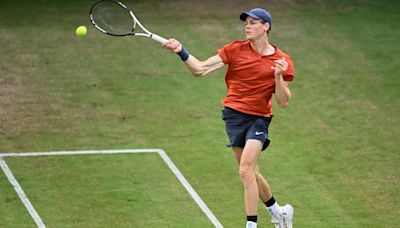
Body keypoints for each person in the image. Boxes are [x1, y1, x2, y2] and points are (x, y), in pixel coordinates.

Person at [163, 7, 294, 228]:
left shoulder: (282, 60)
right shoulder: (234, 49)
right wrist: (181, 50)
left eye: (253, 22)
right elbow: (200, 69)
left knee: (245, 170)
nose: (248, 26)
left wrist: (278, 76)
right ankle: (279, 212)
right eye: (246, 23)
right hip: (234, 117)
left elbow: (283, 101)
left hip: (259, 118)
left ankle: (251, 225)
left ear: (266, 26)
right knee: (251, 173)